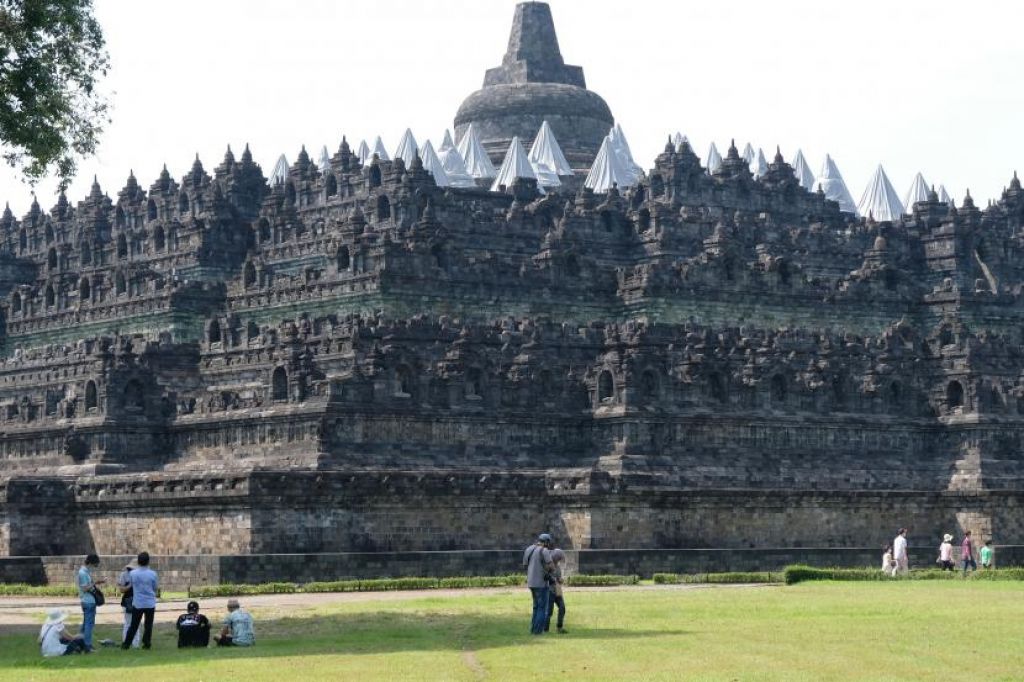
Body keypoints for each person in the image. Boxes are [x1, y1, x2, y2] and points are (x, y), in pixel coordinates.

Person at [121, 551, 159, 649]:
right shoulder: (153, 574)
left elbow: (132, 585)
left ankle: (126, 644)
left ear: (138, 561)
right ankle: (147, 643)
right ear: (148, 561)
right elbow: (155, 587)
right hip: (150, 602)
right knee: (148, 625)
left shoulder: (133, 573)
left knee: (133, 625)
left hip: (138, 602)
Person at [522, 532, 553, 635]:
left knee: (535, 606)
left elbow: (525, 565)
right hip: (541, 583)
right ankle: (538, 631)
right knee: (542, 607)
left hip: (531, 582)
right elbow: (551, 566)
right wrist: (546, 571)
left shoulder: (528, 549)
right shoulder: (544, 551)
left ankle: (533, 628)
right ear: (546, 542)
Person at [77, 554, 104, 651]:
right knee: (89, 624)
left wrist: (97, 582)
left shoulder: (85, 572)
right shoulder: (83, 573)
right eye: (95, 565)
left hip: (89, 601)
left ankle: (79, 642)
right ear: (91, 563)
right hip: (88, 601)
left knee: (85, 624)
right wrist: (95, 583)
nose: (95, 567)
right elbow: (84, 588)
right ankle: (87, 645)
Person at [116, 563, 141, 648]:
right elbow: (121, 589)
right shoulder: (124, 575)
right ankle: (126, 641)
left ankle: (135, 643)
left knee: (135, 623)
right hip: (128, 602)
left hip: (138, 601)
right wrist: (130, 585)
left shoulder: (140, 574)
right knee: (128, 623)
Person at [544, 547, 567, 634]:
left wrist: (560, 580)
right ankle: (545, 630)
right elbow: (545, 577)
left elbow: (558, 577)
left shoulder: (557, 566)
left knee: (562, 608)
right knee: (549, 611)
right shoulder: (548, 565)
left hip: (557, 590)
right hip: (550, 591)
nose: (559, 560)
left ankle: (559, 627)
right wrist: (553, 579)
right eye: (558, 558)